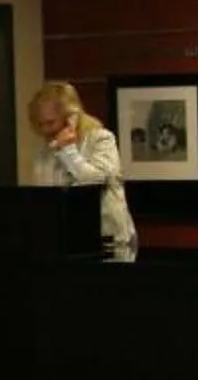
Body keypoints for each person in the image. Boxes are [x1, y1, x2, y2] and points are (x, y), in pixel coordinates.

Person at [29, 80, 135, 262]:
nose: (45, 130)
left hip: (108, 244)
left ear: (71, 116)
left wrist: (68, 151)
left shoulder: (101, 140)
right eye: (40, 124)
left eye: (50, 122)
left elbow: (92, 182)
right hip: (64, 244)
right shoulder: (44, 152)